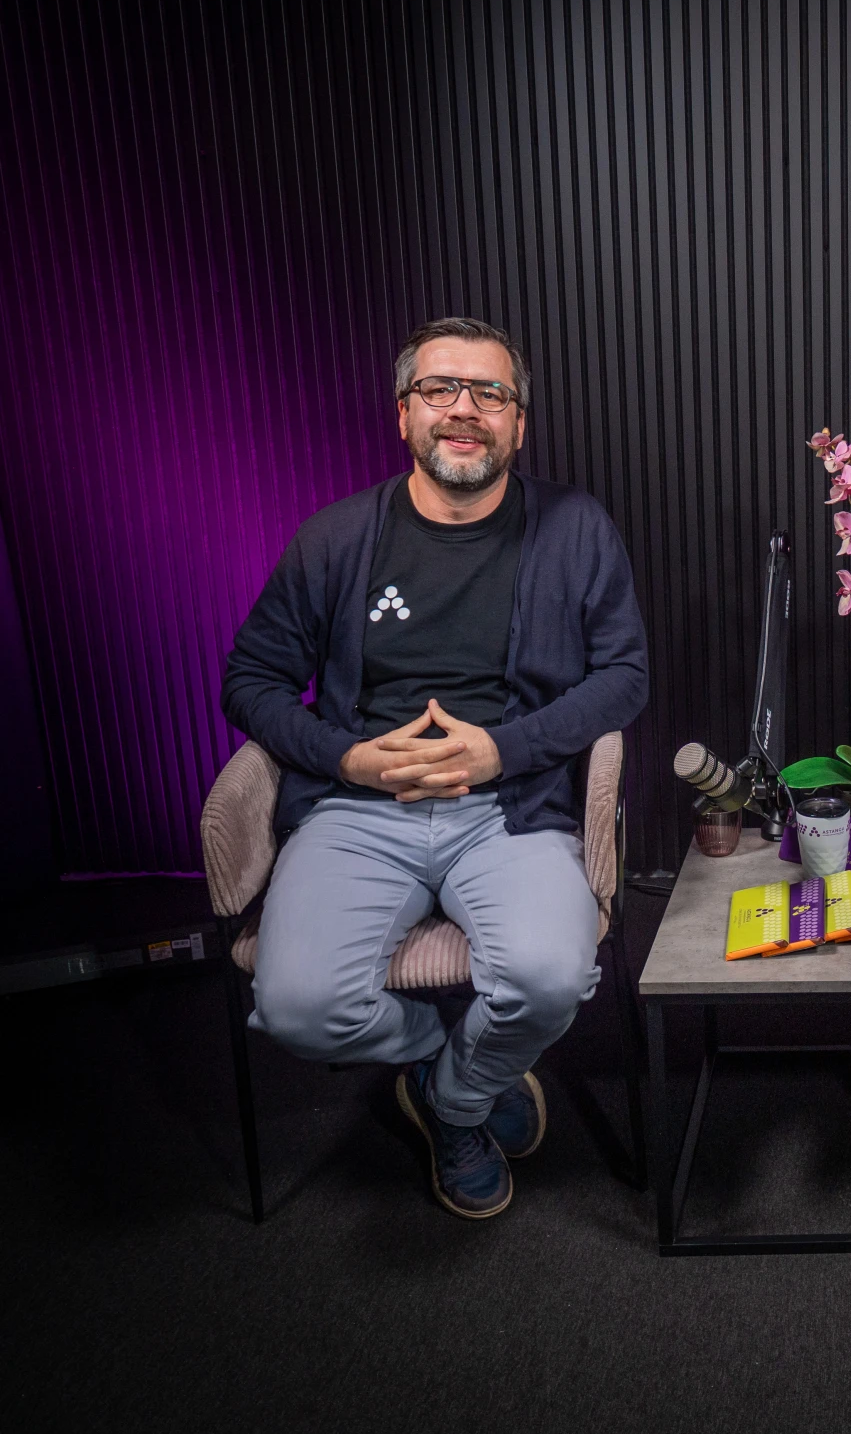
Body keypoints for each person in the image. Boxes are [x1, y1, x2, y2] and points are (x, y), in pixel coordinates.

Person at [222, 317, 648, 1220]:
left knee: (550, 978)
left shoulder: (574, 527)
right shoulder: (335, 538)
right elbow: (250, 680)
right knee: (298, 1008)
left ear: (519, 423)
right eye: (440, 389)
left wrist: (504, 748)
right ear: (403, 413)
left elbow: (625, 677)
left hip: (511, 808)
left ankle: (452, 1106)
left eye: (490, 393)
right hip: (355, 812)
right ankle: (438, 1063)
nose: (465, 409)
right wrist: (347, 758)